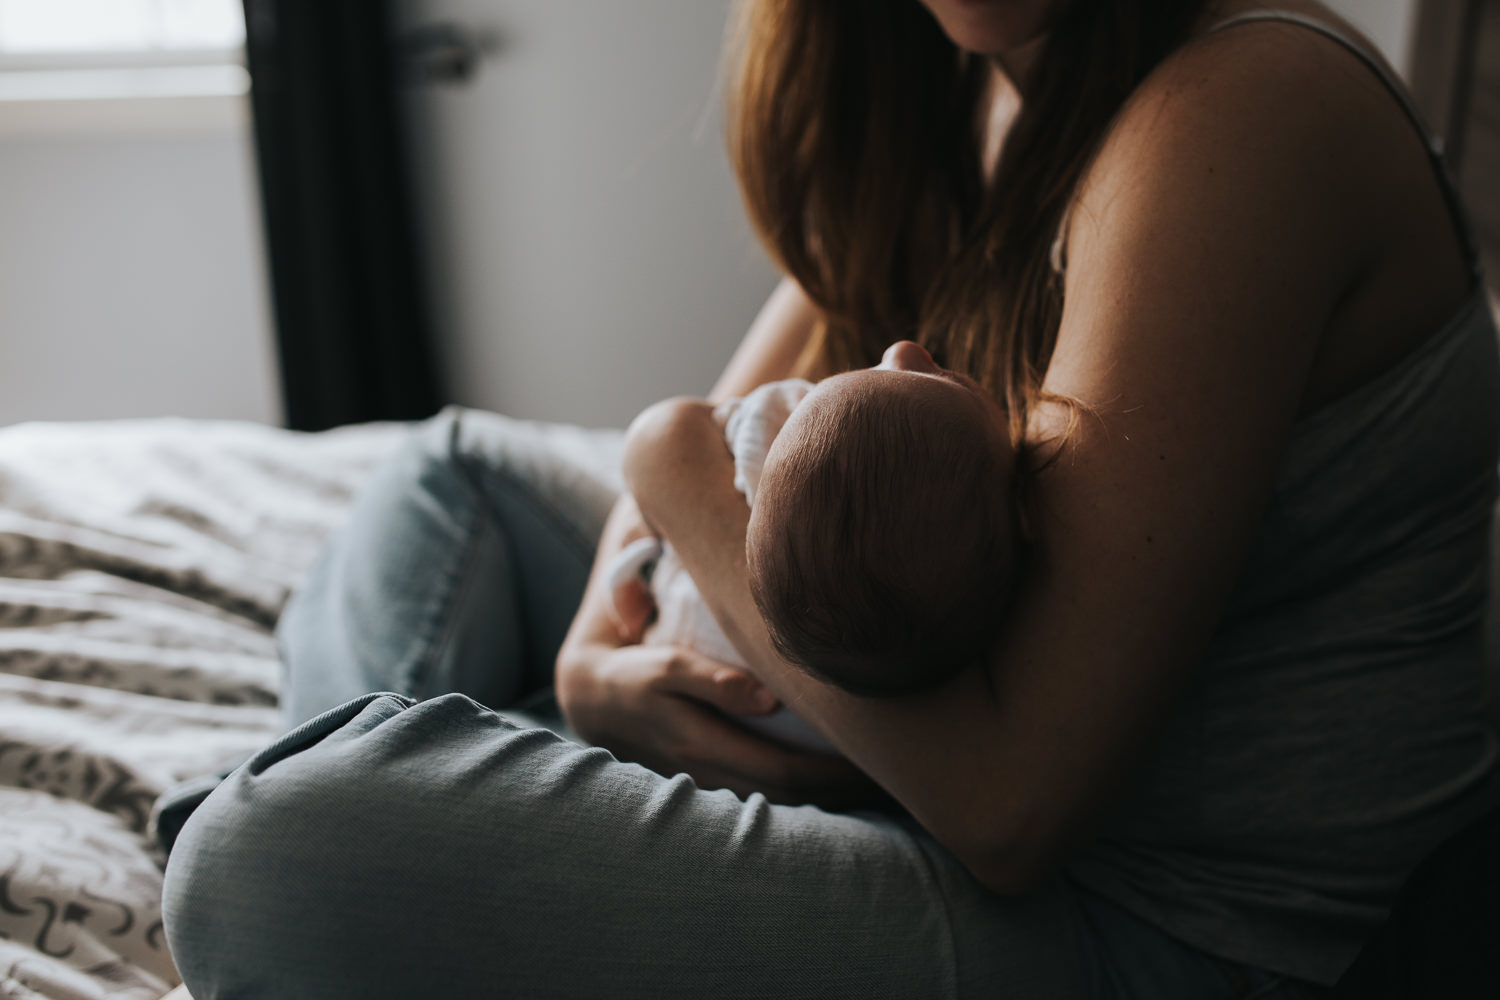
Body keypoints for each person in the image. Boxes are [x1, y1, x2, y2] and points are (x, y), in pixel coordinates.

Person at [158, 1, 1500, 998]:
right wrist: (587, 669)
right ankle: (391, 769)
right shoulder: (977, 87)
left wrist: (664, 472)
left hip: (1149, 930)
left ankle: (337, 798)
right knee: (450, 476)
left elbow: (1012, 805)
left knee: (271, 862)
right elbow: (718, 463)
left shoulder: (1240, 109)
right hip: (913, 758)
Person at [606, 342, 1023, 755]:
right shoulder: (854, 728)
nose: (905, 350)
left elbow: (692, 437)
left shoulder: (777, 425)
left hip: (668, 633)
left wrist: (628, 567)